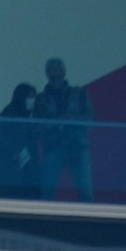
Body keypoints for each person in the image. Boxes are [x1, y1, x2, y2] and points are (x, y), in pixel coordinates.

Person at [35, 56, 86, 198]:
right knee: (46, 192)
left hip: (77, 146)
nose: (56, 79)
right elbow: (37, 126)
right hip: (53, 148)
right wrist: (57, 122)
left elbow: (90, 118)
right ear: (47, 75)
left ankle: (88, 219)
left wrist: (74, 119)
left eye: (58, 75)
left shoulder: (79, 93)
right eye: (52, 76)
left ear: (64, 74)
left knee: (86, 193)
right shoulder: (41, 99)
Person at [0, 83, 43, 198]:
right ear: (21, 97)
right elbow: (12, 148)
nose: (32, 100)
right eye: (29, 97)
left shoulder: (30, 118)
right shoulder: (7, 117)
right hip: (10, 181)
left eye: (34, 97)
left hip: (27, 181)